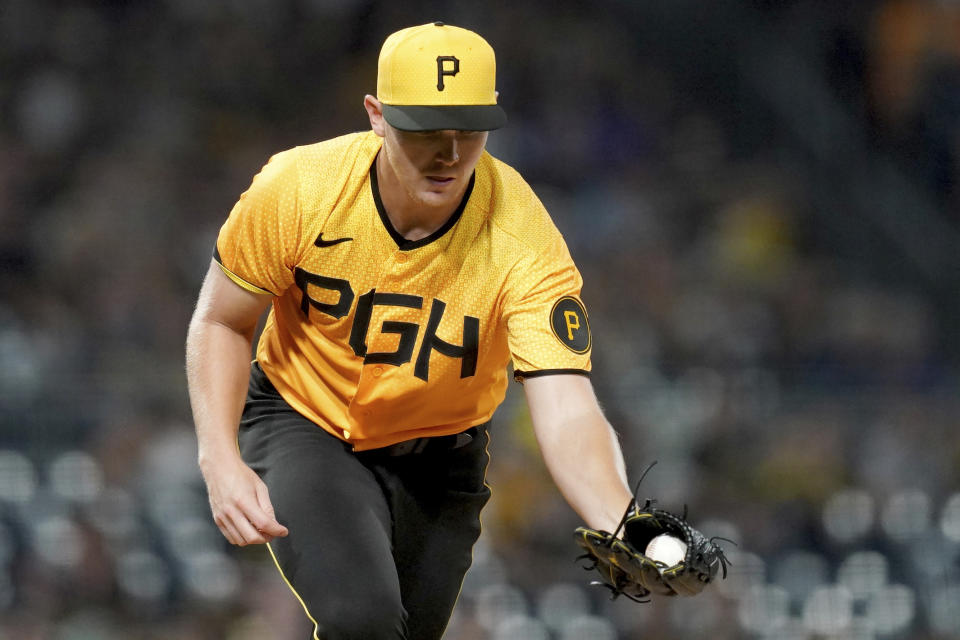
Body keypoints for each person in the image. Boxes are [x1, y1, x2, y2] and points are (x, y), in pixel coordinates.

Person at [186, 22, 634, 640]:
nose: (448, 153)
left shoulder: (523, 238)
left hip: (441, 456)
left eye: (469, 129)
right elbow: (222, 321)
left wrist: (621, 519)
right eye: (425, 128)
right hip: (305, 422)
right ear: (376, 115)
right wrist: (218, 457)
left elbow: (566, 405)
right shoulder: (299, 189)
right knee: (364, 621)